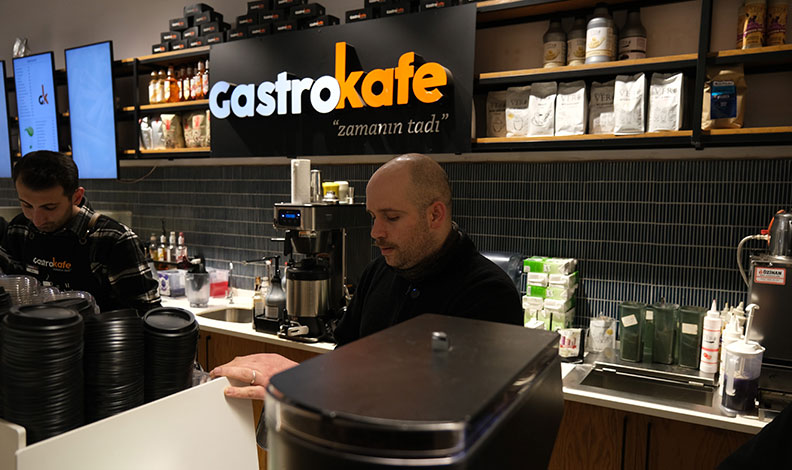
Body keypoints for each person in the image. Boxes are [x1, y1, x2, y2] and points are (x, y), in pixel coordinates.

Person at [211, 153, 523, 398]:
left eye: (391, 217)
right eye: (373, 216)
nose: (375, 232)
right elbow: (344, 363)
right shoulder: (379, 273)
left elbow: (448, 406)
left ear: (435, 215)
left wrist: (301, 383)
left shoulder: (488, 295)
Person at [0, 150, 161, 315]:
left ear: (76, 197)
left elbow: (147, 314)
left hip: (98, 331)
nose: (37, 220)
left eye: (49, 207)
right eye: (27, 205)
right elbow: (8, 294)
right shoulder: (19, 229)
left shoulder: (114, 240)